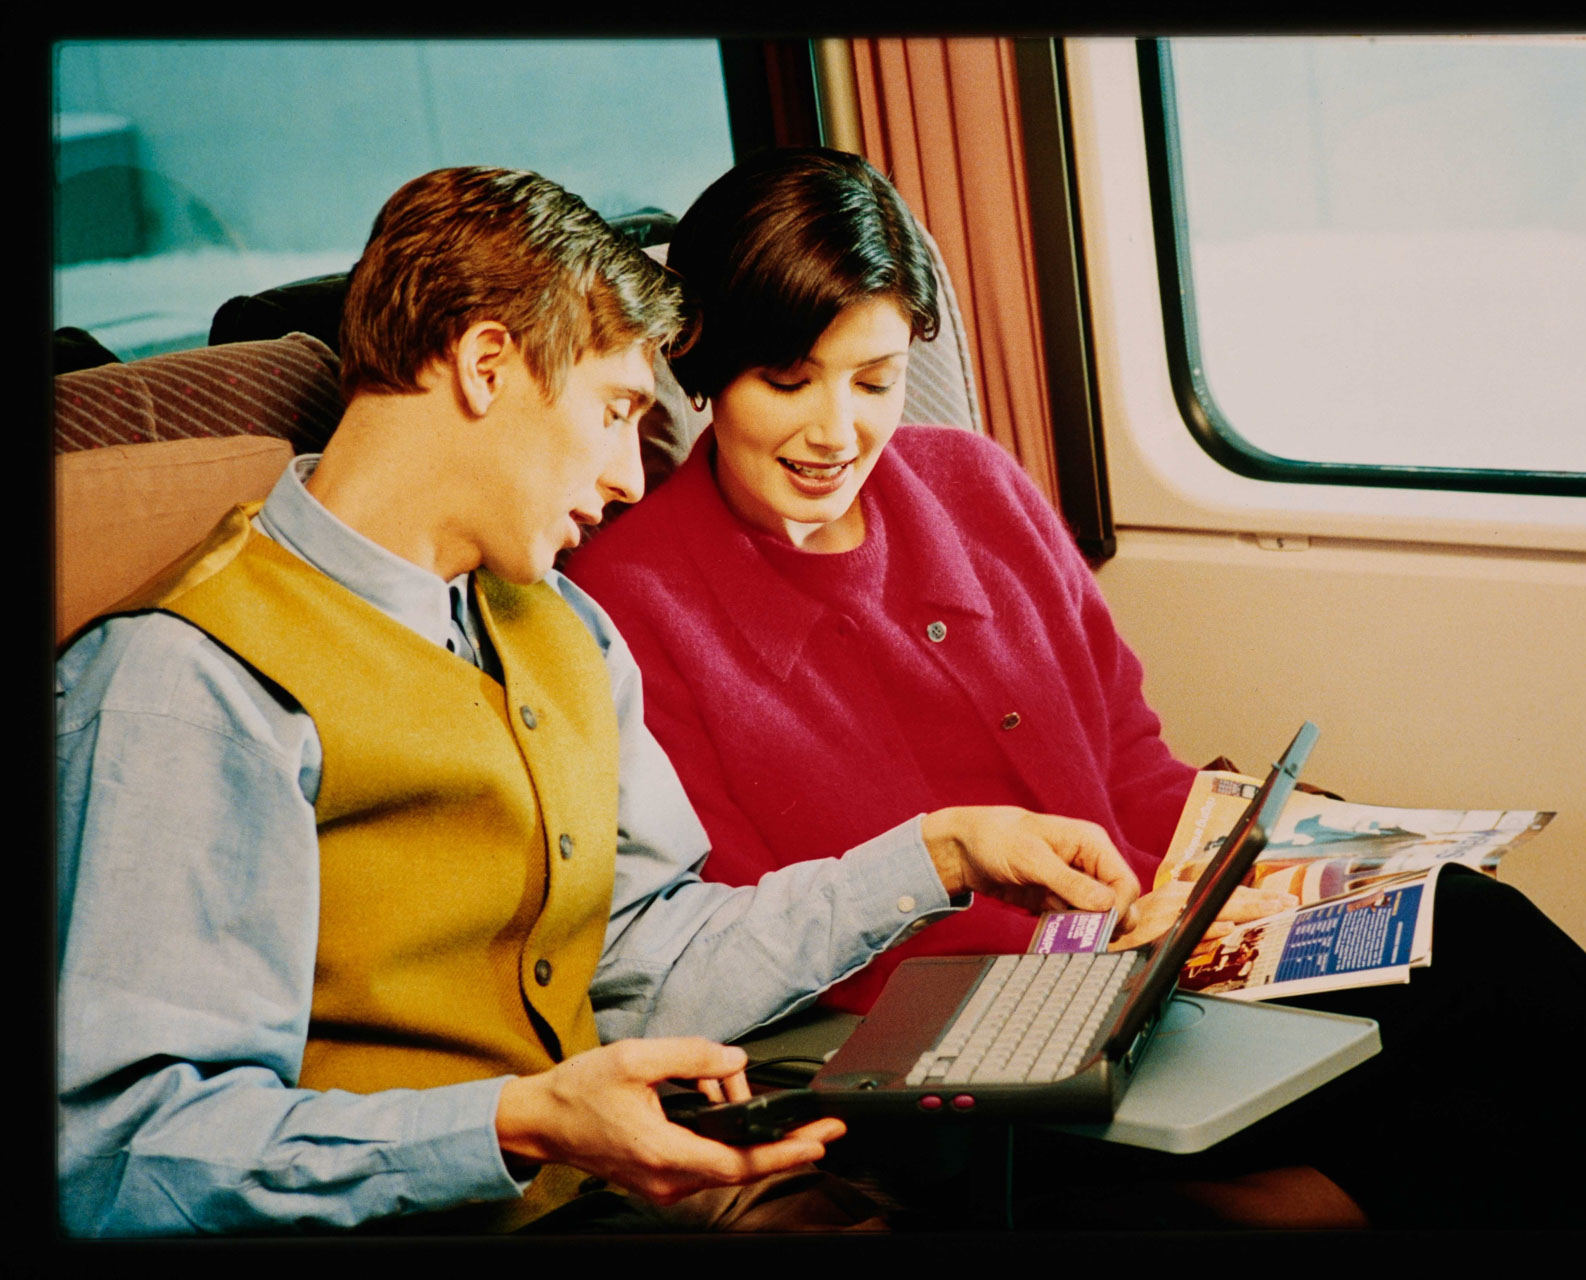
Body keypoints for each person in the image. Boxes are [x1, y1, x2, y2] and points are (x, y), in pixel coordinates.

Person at [563, 147, 1586, 1229]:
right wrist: (1089, 957)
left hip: (1150, 958)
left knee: (1477, 935)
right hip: (961, 1045)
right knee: (1492, 1108)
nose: (838, 429)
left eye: (875, 378)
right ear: (703, 363)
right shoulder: (629, 599)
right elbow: (748, 938)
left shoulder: (972, 484)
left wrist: (1294, 853)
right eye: (791, 380)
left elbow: (1131, 763)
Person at [53, 165, 1144, 1237]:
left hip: (590, 1197)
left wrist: (940, 854)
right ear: (487, 366)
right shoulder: (184, 680)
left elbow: (644, 961)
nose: (632, 474)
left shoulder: (563, 626)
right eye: (618, 409)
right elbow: (123, 1155)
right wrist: (513, 1121)